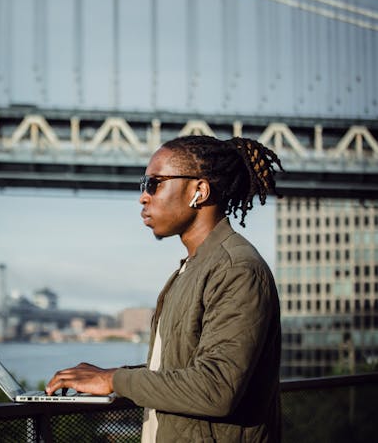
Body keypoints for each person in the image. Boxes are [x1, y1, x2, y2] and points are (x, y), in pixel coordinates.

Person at [46, 135, 284, 442]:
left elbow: (216, 388)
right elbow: (180, 368)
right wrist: (109, 376)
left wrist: (113, 380)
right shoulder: (192, 269)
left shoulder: (237, 269)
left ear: (199, 191)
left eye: (154, 183)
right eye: (143, 184)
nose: (143, 197)